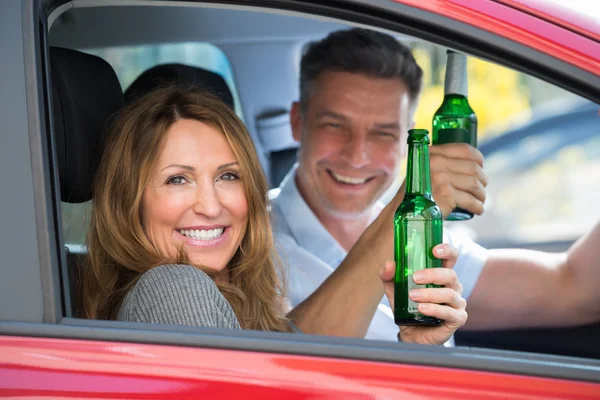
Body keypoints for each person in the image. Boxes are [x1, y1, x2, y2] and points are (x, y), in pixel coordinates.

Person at [271, 28, 600, 341]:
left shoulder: (426, 239)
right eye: (335, 125)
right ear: (298, 122)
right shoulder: (245, 238)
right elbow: (285, 367)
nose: (357, 156)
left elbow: (574, 287)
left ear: (406, 138)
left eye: (383, 133)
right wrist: (405, 208)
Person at [80, 85, 467, 346]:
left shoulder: (247, 304)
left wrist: (415, 346)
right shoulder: (174, 291)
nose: (212, 206)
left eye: (228, 176)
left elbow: (302, 365)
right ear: (128, 201)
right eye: (178, 179)